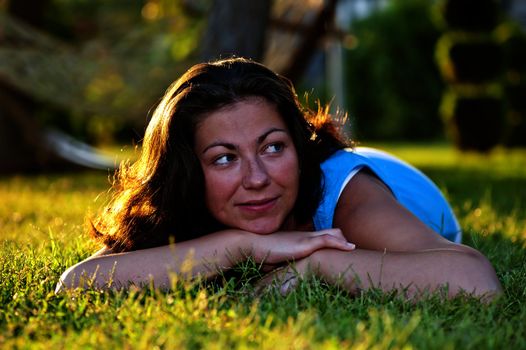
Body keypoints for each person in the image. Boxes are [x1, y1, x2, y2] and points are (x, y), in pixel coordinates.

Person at [55, 57, 501, 299]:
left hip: (390, 177)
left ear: (298, 148)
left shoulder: (343, 192)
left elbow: (474, 280)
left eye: (273, 147)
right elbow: (78, 283)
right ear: (189, 171)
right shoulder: (183, 202)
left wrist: (320, 264)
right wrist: (239, 246)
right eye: (225, 158)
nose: (257, 179)